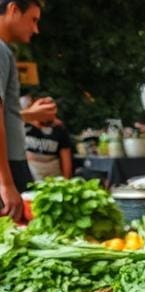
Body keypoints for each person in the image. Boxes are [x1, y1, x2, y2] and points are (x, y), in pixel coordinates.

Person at [0, 0, 56, 220]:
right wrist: (5, 182)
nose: (36, 29)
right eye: (33, 19)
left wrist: (30, 115)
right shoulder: (1, 51)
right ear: (13, 9)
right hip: (9, 166)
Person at [22, 93, 71, 180]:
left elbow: (66, 157)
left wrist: (66, 180)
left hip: (52, 172)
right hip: (31, 171)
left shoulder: (59, 129)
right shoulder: (25, 125)